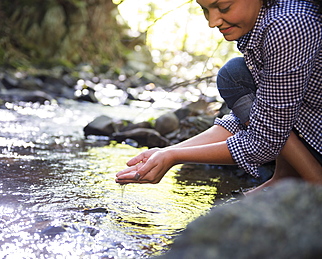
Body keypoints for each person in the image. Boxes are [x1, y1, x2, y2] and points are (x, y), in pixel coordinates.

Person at [116, 0, 322, 194]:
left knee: (234, 75)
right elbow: (261, 116)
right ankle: (286, 178)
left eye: (223, 7)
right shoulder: (263, 21)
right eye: (205, 10)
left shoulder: (287, 23)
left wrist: (174, 157)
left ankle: (316, 186)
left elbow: (264, 142)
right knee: (234, 74)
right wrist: (166, 151)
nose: (212, 22)